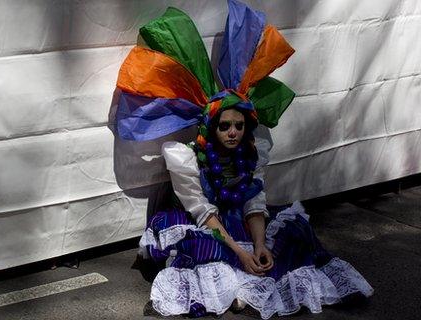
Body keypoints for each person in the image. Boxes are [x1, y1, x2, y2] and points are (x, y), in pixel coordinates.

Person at [114, 1, 373, 318]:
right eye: (225, 126)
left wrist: (260, 245)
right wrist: (241, 252)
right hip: (208, 223)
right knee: (202, 247)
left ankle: (247, 281)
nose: (233, 133)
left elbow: (254, 198)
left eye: (238, 126)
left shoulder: (253, 150)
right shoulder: (186, 158)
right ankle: (235, 282)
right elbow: (201, 212)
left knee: (295, 232)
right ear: (212, 127)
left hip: (240, 219)